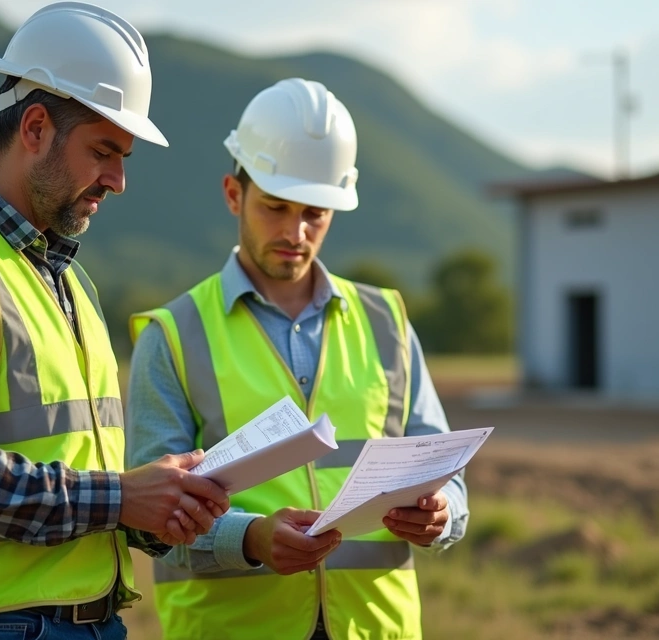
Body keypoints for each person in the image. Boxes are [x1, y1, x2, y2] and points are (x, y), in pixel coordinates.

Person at [0, 4, 228, 639]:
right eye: (104, 151)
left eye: (125, 157)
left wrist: (157, 504)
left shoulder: (65, 280)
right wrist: (120, 497)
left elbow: (77, 472)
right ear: (34, 128)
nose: (117, 180)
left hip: (89, 623)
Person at [126, 78, 470, 639]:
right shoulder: (173, 335)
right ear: (234, 195)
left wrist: (441, 514)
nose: (295, 232)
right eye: (276, 207)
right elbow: (152, 522)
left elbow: (443, 470)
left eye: (316, 213)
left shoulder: (387, 321)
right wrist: (251, 537)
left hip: (373, 627)